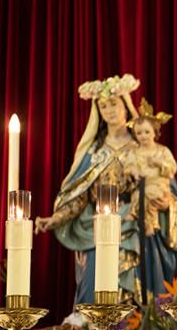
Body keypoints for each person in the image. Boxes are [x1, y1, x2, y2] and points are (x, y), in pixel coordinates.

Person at [36, 74, 142, 305]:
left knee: (132, 286)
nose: (109, 111)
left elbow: (159, 186)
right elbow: (79, 193)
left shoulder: (141, 147)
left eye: (113, 104)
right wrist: (56, 218)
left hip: (132, 225)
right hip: (97, 228)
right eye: (103, 106)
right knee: (93, 287)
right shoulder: (93, 151)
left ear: (125, 105)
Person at [126, 97, 177, 302]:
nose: (143, 136)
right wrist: (132, 173)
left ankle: (152, 222)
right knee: (140, 197)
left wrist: (170, 205)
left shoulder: (162, 152)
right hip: (141, 196)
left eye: (147, 132)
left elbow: (172, 171)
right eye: (139, 133)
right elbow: (128, 168)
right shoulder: (133, 152)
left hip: (159, 192)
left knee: (152, 198)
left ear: (155, 132)